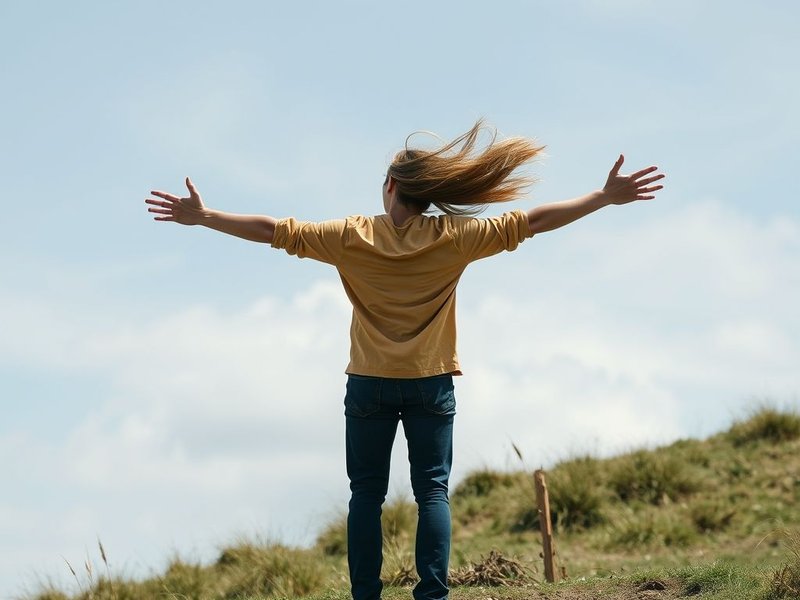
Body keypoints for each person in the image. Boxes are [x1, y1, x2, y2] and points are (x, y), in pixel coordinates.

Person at [145, 121, 664, 600]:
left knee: (365, 495)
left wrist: (205, 216)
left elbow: (275, 231)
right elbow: (533, 221)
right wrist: (601, 197)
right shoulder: (455, 237)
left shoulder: (351, 236)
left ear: (392, 184)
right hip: (431, 384)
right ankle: (432, 596)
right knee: (432, 492)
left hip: (368, 384)